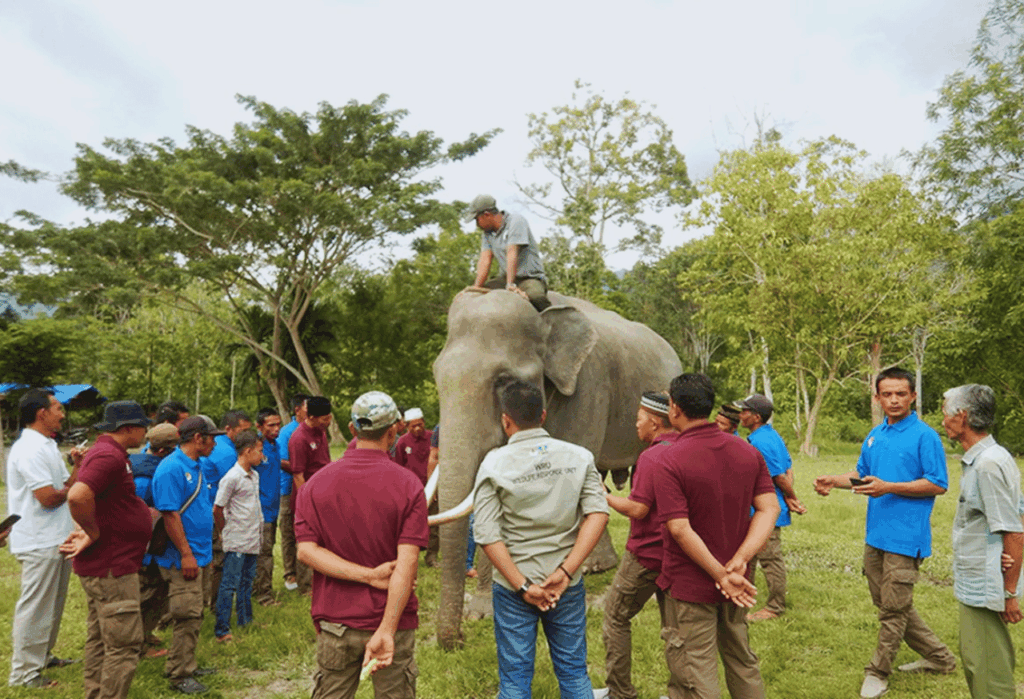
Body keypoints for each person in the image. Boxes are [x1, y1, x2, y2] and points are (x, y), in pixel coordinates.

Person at [813, 366, 957, 699]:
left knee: (893, 610)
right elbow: (863, 475)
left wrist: (889, 486)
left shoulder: (925, 436)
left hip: (905, 539)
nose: (894, 400)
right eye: (887, 394)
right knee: (892, 605)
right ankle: (940, 658)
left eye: (901, 394)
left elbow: (938, 483)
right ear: (877, 398)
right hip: (875, 535)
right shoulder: (876, 434)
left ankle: (877, 673)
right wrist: (833, 480)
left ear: (913, 396)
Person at [473, 378, 609, 699]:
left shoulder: (494, 463)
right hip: (565, 585)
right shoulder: (579, 457)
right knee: (574, 672)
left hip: (513, 589)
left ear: (505, 420)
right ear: (543, 416)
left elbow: (486, 533)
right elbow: (599, 514)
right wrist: (565, 573)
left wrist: (523, 586)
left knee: (514, 681)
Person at [294, 390, 428, 699]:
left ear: (352, 429)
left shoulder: (314, 485)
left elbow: (306, 551)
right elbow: (406, 564)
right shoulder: (409, 485)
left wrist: (367, 576)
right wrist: (386, 630)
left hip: (336, 623)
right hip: (393, 621)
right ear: (394, 430)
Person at [653, 374, 777, 699]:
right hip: (739, 580)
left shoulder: (669, 458)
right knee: (741, 658)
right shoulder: (746, 451)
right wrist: (740, 560)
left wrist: (720, 574)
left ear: (674, 408)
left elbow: (679, 528)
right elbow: (769, 508)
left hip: (691, 583)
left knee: (696, 668)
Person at [61, 401, 152, 699]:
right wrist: (92, 531)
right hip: (112, 566)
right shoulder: (108, 456)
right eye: (142, 426)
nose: (145, 432)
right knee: (123, 645)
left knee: (102, 639)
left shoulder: (109, 453)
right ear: (128, 428)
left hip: (107, 564)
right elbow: (77, 496)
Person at [941, 384, 1023, 699]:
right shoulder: (993, 456)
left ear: (962, 416)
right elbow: (1019, 513)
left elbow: (1014, 530)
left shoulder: (988, 464)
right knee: (981, 661)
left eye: (946, 413)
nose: (943, 421)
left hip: (986, 585)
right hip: (979, 578)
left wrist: (1009, 592)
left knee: (987, 670)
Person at [595, 392, 679, 699]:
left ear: (655, 423)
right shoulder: (685, 450)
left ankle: (620, 692)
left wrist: (603, 495)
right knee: (676, 628)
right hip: (679, 554)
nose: (636, 425)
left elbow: (638, 509)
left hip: (646, 553)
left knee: (615, 617)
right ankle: (681, 693)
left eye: (639, 419)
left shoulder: (651, 457)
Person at [6, 388, 81, 688]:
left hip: (56, 536)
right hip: (38, 539)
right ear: (42, 413)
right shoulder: (29, 449)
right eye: (58, 408)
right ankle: (24, 673)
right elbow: (49, 497)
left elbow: (64, 485)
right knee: (36, 606)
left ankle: (43, 656)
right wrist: (72, 488)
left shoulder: (47, 444)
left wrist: (77, 468)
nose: (62, 414)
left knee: (53, 605)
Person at [151, 415, 224, 694]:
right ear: (197, 438)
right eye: (212, 438)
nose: (215, 443)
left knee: (196, 611)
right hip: (183, 557)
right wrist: (186, 554)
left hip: (201, 552)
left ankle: (187, 663)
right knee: (187, 614)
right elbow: (170, 515)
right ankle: (179, 673)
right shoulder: (172, 468)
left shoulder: (197, 465)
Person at [737, 394, 806, 622]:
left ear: (756, 417)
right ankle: (742, 600)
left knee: (769, 559)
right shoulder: (771, 435)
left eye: (745, 411)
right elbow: (788, 469)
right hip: (764, 509)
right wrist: (787, 497)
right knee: (750, 556)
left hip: (766, 513)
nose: (741, 415)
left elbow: (779, 477)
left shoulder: (760, 442)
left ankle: (775, 607)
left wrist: (792, 497)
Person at [130, 423, 180, 658]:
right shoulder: (143, 479)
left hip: (158, 544)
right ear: (162, 451)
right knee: (146, 595)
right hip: (146, 547)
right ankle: (137, 644)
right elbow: (138, 516)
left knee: (158, 592)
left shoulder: (148, 464)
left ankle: (146, 633)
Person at [213, 430, 264, 642]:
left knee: (247, 582)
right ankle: (222, 628)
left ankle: (245, 620)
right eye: (259, 451)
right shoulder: (232, 478)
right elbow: (218, 508)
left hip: (252, 537)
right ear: (248, 451)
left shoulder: (254, 476)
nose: (262, 455)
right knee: (229, 584)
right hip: (237, 538)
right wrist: (223, 531)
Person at [201, 410, 253, 609]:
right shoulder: (226, 453)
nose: (246, 435)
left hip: (211, 510)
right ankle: (218, 605)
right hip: (218, 514)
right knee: (222, 561)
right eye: (243, 431)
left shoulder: (223, 447)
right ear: (229, 429)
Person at [466, 193, 551, 312]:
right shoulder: (487, 234)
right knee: (482, 296)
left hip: (529, 278)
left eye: (477, 219)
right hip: (504, 279)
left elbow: (512, 252)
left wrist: (510, 285)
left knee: (536, 297)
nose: (477, 224)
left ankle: (555, 319)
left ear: (487, 215)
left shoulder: (516, 221)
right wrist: (476, 288)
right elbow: (485, 260)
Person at [288, 395, 333, 595]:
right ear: (311, 417)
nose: (328, 421)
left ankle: (323, 580)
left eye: (329, 417)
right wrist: (307, 504)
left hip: (324, 494)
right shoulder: (299, 439)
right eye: (324, 418)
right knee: (307, 540)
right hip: (307, 498)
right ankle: (306, 587)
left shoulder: (321, 432)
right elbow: (298, 475)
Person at [393, 407, 437, 566]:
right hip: (411, 490)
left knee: (434, 522)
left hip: (432, 487)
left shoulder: (433, 437)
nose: (417, 428)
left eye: (420, 424)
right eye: (413, 426)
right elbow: (398, 467)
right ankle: (410, 557)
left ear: (424, 422)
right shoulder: (402, 442)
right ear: (407, 426)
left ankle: (431, 557)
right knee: (411, 524)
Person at [278, 393, 308, 592]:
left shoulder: (315, 431)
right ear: (297, 410)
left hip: (307, 486)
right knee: (289, 531)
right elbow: (281, 461)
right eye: (307, 408)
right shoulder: (287, 432)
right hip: (288, 488)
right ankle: (290, 573)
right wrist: (302, 469)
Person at [253, 408, 283, 606]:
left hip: (273, 508)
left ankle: (259, 589)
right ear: (259, 426)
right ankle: (263, 595)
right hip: (259, 509)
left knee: (268, 550)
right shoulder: (256, 447)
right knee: (263, 555)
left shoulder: (275, 445)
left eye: (278, 424)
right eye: (271, 425)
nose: (276, 429)